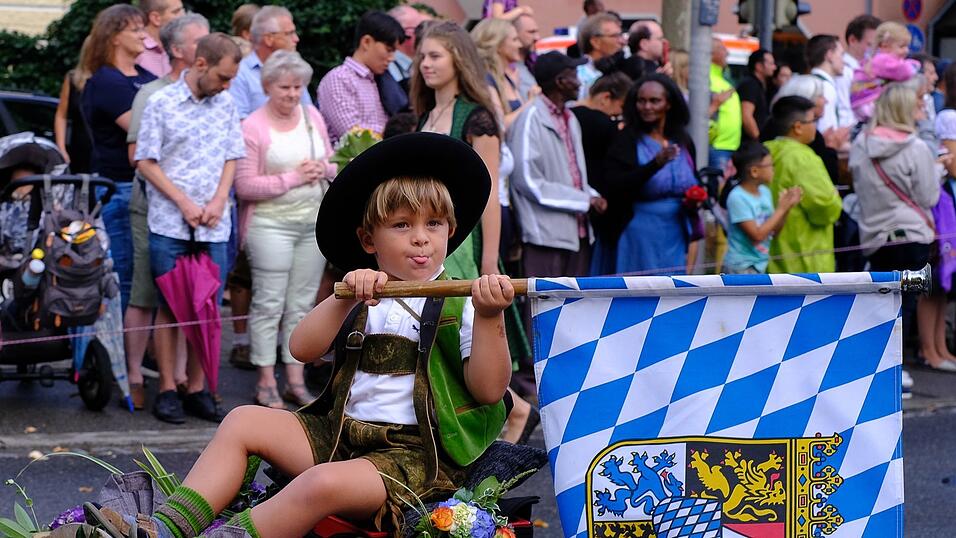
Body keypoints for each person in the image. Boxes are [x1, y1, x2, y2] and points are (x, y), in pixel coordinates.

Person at [84, 132, 514, 538]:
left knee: (320, 483)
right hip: (338, 434)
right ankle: (165, 529)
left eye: (434, 224)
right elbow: (301, 349)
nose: (421, 238)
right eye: (402, 225)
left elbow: (490, 390)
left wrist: (492, 317)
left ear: (451, 231)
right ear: (368, 239)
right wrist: (344, 296)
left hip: (412, 458)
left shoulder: (467, 300)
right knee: (242, 420)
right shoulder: (363, 292)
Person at [134, 33, 245, 424]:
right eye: (224, 76)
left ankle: (198, 388)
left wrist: (218, 200)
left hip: (213, 223)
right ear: (200, 64)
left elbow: (233, 157)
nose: (228, 85)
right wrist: (182, 201)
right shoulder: (161, 103)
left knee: (207, 307)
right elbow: (145, 161)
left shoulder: (227, 104)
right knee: (170, 306)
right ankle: (167, 387)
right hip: (169, 220)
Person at [234, 50, 336, 409]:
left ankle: (295, 378)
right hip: (269, 225)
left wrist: (322, 169)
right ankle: (265, 381)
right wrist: (293, 177)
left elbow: (331, 163)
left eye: (298, 87)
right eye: (285, 87)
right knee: (269, 303)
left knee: (302, 304)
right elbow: (244, 186)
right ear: (267, 87)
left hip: (311, 224)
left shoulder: (312, 116)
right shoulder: (252, 126)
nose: (293, 94)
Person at [125, 13, 210, 410]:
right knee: (160, 298)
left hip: (204, 220)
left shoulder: (216, 95)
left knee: (201, 300)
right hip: (155, 213)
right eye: (200, 42)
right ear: (178, 51)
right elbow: (137, 155)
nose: (210, 48)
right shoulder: (152, 94)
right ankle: (156, 383)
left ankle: (193, 384)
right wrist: (181, 199)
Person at [851, 83, 942, 393]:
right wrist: (938, 171)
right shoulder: (916, 147)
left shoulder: (861, 144)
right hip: (912, 232)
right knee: (907, 302)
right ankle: (896, 366)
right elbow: (929, 196)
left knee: (881, 300)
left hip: (875, 236)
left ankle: (877, 365)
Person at [81, 4, 157, 312]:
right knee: (125, 275)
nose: (144, 35)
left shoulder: (145, 76)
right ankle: (120, 357)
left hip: (146, 189)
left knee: (144, 278)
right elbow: (146, 133)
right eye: (136, 29)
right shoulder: (106, 82)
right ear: (114, 37)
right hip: (119, 189)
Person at [509, 51, 604, 280]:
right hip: (545, 236)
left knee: (574, 310)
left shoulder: (570, 118)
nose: (579, 82)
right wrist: (584, 200)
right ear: (560, 82)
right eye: (574, 76)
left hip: (577, 234)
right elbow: (527, 180)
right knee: (544, 310)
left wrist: (592, 194)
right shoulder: (531, 118)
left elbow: (573, 173)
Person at [600, 74, 697, 276]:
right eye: (641, 101)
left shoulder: (682, 139)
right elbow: (615, 185)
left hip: (675, 231)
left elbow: (692, 176)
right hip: (638, 231)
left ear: (669, 104)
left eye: (654, 101)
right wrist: (655, 164)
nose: (647, 107)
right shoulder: (626, 139)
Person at [764, 96, 843, 273]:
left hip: (767, 256)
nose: (816, 125)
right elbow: (824, 208)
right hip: (803, 257)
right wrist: (835, 199)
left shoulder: (765, 151)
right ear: (798, 127)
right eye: (813, 120)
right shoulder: (804, 158)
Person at [571, 72, 629, 275]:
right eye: (620, 109)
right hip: (598, 209)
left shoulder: (568, 115)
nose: (619, 116)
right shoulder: (604, 125)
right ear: (606, 98)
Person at [318, 10, 404, 143]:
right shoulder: (339, 78)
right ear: (366, 42)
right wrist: (393, 132)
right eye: (388, 49)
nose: (392, 58)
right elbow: (352, 134)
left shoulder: (380, 78)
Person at [723, 142, 802, 274]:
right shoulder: (737, 197)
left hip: (760, 264)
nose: (773, 169)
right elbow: (757, 235)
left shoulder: (765, 192)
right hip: (741, 267)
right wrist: (781, 209)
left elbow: (774, 232)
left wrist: (787, 208)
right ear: (754, 171)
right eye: (770, 165)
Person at [229, 5, 308, 120]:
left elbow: (308, 114)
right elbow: (240, 123)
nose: (296, 39)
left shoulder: (295, 71)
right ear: (269, 39)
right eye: (289, 33)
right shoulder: (239, 74)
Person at [769, 75, 840, 183]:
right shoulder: (810, 137)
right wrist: (831, 147)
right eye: (820, 95)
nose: (825, 101)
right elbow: (827, 179)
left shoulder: (772, 125)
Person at [471, 18, 538, 130]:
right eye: (515, 39)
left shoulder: (506, 78)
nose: (519, 44)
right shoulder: (485, 79)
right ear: (498, 45)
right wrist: (531, 102)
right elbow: (499, 126)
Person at [850, 22, 920, 124]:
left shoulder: (874, 58)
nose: (906, 51)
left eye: (907, 46)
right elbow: (905, 71)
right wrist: (915, 65)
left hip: (863, 103)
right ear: (884, 46)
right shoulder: (882, 60)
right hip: (868, 103)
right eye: (902, 46)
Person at [53, 39, 93, 173]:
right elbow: (61, 115)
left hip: (105, 153)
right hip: (79, 152)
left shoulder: (114, 80)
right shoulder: (73, 79)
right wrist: (61, 148)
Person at [807, 34, 853, 145]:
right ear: (830, 55)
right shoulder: (825, 88)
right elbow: (827, 136)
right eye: (841, 55)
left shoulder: (811, 83)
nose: (844, 61)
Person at [839, 14, 881, 127]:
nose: (875, 50)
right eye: (870, 45)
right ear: (852, 40)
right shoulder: (843, 71)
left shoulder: (872, 68)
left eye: (878, 46)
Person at [709, 37, 741, 172]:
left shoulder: (720, 78)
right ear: (710, 53)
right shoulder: (706, 78)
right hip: (718, 147)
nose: (727, 53)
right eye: (722, 48)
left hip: (729, 147)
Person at [575, 13, 625, 100]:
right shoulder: (579, 77)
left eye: (621, 35)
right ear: (595, 42)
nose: (622, 41)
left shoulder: (620, 69)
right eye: (615, 36)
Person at [135, 0, 184, 77]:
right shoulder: (136, 50)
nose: (183, 16)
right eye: (176, 12)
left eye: (182, 10)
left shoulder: (181, 46)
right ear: (156, 18)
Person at [387, 5, 430, 92]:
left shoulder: (420, 64)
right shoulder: (387, 67)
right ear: (403, 33)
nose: (426, 34)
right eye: (420, 28)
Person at [737, 49, 776, 142]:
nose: (774, 67)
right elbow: (746, 116)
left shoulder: (760, 85)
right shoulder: (751, 85)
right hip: (749, 144)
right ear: (758, 66)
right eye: (771, 64)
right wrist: (758, 139)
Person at [512, 13, 540, 101]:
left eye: (537, 31)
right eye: (531, 32)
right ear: (514, 34)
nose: (537, 37)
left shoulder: (534, 65)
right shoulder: (509, 71)